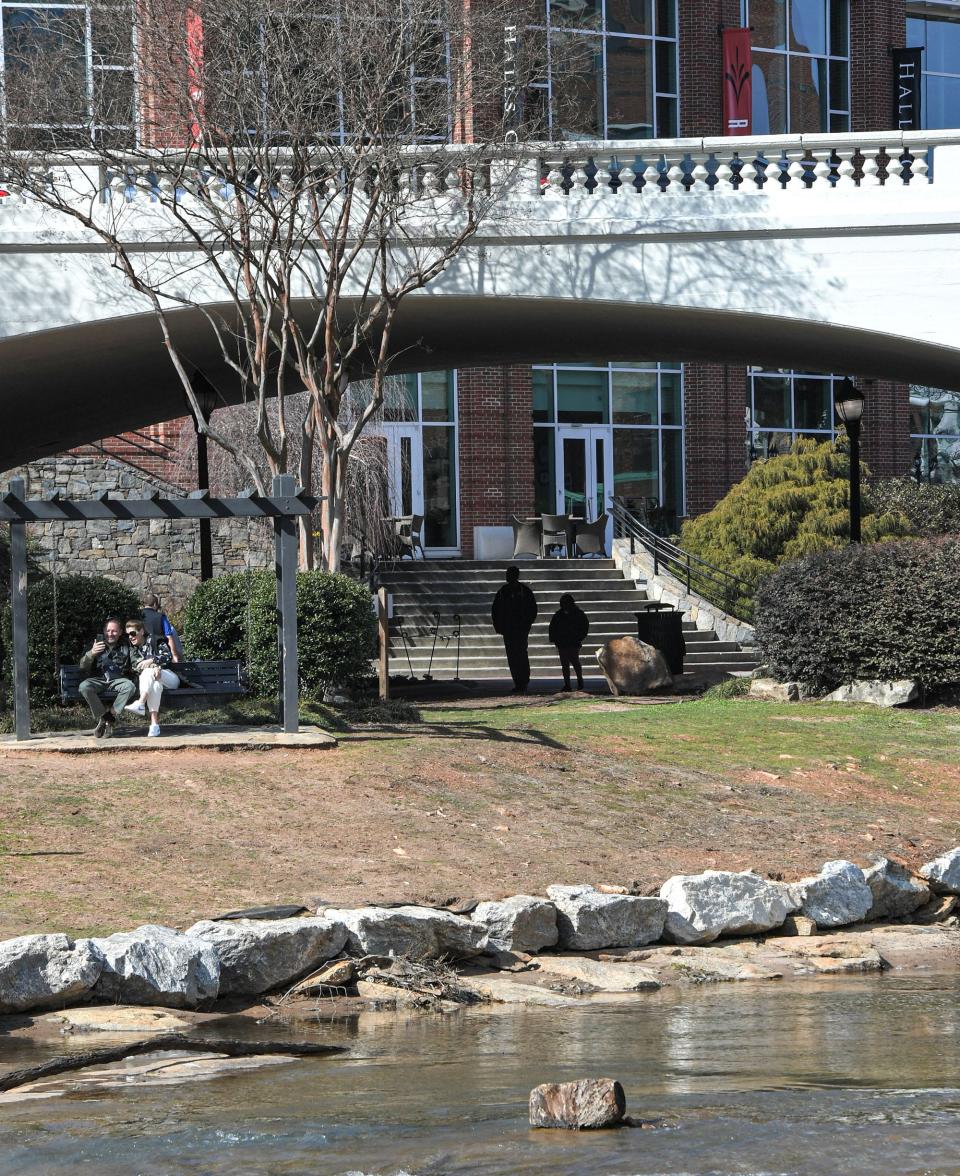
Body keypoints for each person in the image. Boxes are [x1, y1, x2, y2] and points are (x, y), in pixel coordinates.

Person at [78, 617, 136, 738]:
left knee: (130, 686)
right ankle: (107, 718)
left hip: (118, 680)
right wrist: (92, 653)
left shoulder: (127, 646)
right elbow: (83, 666)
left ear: (120, 632)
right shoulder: (94, 645)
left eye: (114, 631)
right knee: (84, 687)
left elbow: (135, 663)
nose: (110, 634)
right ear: (104, 631)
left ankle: (109, 716)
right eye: (108, 630)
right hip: (98, 679)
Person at [123, 619, 181, 737]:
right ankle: (154, 725)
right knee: (154, 684)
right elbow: (137, 666)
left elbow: (167, 656)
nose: (130, 637)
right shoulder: (133, 649)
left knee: (148, 671)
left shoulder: (156, 640)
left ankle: (140, 702)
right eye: (128, 634)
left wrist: (153, 661)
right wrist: (154, 667)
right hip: (152, 680)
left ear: (142, 631)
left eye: (133, 633)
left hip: (169, 677)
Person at [491, 565, 538, 694]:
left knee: (521, 653)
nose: (507, 577)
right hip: (508, 629)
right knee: (512, 655)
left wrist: (527, 624)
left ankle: (524, 680)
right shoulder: (503, 591)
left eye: (509, 574)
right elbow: (496, 610)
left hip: (520, 629)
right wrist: (499, 625)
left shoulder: (524, 592)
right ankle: (518, 681)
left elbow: (532, 609)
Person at [548, 593, 590, 692]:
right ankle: (567, 683)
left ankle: (579, 680)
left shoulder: (578, 614)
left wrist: (578, 637)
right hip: (563, 642)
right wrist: (555, 639)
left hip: (573, 641)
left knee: (574, 661)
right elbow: (553, 628)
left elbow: (584, 627)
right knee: (565, 664)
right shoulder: (559, 615)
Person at [141, 592, 185, 660]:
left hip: (141, 652)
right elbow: (169, 637)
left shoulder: (137, 616)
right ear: (155, 604)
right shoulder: (161, 617)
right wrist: (174, 655)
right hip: (158, 653)